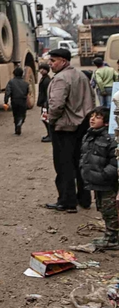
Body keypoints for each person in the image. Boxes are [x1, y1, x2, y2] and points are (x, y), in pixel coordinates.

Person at [46, 47, 96, 213]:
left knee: (64, 165)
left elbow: (56, 105)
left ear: (63, 61)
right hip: (83, 125)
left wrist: (51, 120)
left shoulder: (61, 78)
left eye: (53, 61)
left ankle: (67, 201)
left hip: (64, 128)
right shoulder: (81, 76)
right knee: (80, 162)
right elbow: (91, 99)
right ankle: (84, 199)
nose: (50, 64)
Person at [79, 106, 119, 249]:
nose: (92, 119)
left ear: (106, 122)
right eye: (92, 116)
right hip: (95, 180)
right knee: (102, 207)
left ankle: (113, 237)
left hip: (106, 182)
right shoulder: (89, 135)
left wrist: (104, 175)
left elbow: (114, 162)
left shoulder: (110, 139)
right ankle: (109, 235)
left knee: (110, 209)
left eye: (97, 117)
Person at [3, 67, 30, 135]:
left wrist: (6, 101)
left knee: (16, 115)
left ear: (14, 74)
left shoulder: (11, 82)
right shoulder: (26, 83)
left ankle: (17, 130)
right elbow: (27, 92)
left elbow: (7, 92)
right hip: (23, 101)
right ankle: (20, 122)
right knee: (22, 115)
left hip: (14, 101)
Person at [37, 64, 53, 143]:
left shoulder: (47, 80)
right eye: (40, 69)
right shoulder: (43, 78)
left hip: (46, 103)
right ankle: (49, 134)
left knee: (46, 119)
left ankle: (50, 135)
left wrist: (46, 102)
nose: (41, 71)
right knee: (45, 118)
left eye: (43, 69)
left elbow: (47, 93)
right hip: (44, 102)